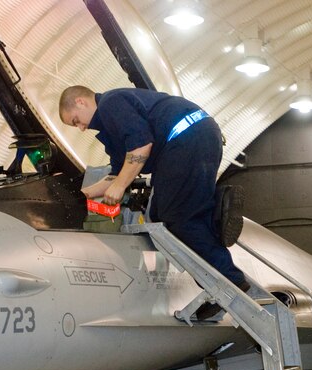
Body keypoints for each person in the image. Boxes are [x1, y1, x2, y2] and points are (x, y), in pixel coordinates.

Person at [59, 86, 247, 319]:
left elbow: (141, 146)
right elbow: (117, 174)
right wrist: (84, 194)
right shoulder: (111, 126)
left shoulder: (110, 104)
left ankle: (230, 281)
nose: (81, 128)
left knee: (178, 217)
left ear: (80, 102)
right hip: (192, 138)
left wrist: (119, 186)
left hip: (186, 139)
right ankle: (214, 231)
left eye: (76, 121)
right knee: (159, 217)